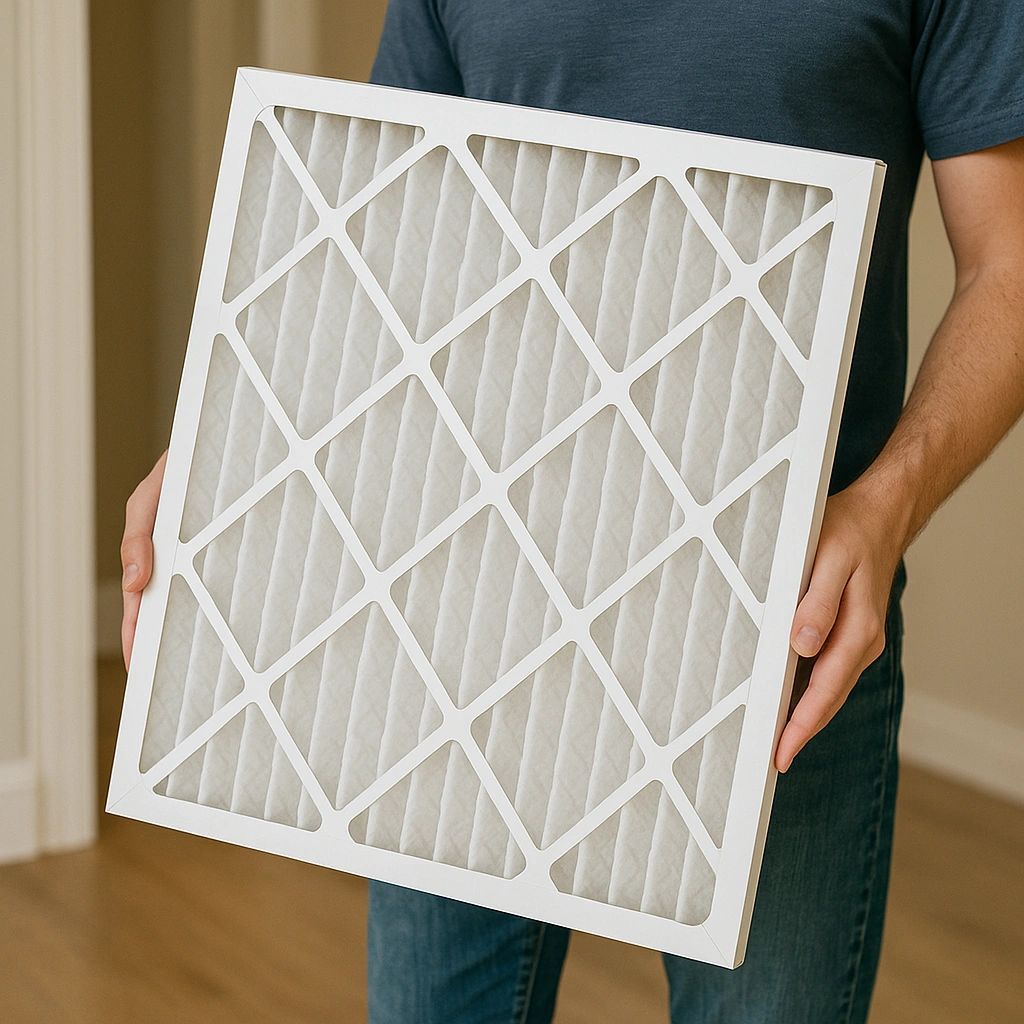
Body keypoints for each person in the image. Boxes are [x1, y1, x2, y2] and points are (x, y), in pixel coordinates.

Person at [121, 3, 1024, 1021]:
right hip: (460, 609)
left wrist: (885, 504)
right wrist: (228, 443)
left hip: (776, 636)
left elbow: (1009, 265)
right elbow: (380, 226)